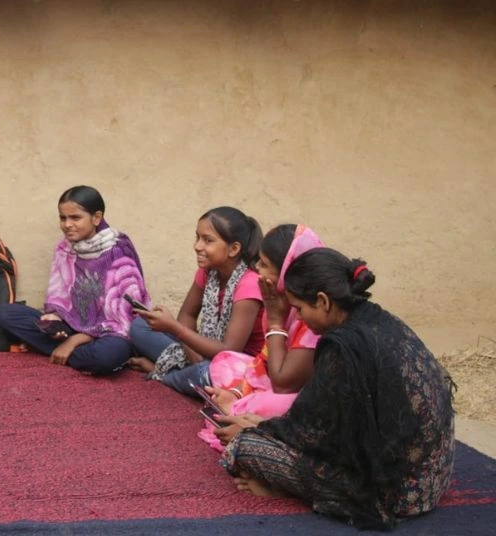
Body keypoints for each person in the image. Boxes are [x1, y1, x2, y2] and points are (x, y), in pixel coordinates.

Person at [216, 249, 454, 530]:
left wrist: (251, 431)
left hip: (395, 492)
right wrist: (264, 425)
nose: (302, 320)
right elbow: (334, 421)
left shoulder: (343, 346)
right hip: (436, 476)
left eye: (301, 310)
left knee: (244, 448)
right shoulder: (380, 320)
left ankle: (291, 491)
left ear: (323, 301)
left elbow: (314, 434)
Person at [0, 186, 148, 374]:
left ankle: (71, 352)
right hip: (73, 325)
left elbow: (123, 320)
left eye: (75, 218)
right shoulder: (64, 248)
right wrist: (54, 321)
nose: (67, 224)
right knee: (7, 313)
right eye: (62, 218)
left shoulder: (118, 252)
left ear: (96, 218)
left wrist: (74, 341)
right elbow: (58, 300)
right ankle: (77, 356)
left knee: (107, 355)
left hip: (112, 333)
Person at [197, 224, 322, 450]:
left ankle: (240, 412)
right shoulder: (286, 303)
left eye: (264, 265)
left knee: (277, 404)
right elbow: (263, 360)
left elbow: (283, 383)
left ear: (287, 271)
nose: (257, 270)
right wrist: (237, 391)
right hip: (277, 375)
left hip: (300, 394)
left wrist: (275, 320)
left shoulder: (313, 315)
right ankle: (238, 405)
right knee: (225, 361)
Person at [129, 206, 264, 394]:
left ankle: (163, 375)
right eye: (197, 237)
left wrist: (174, 328)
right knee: (139, 325)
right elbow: (187, 315)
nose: (197, 246)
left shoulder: (249, 284)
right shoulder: (208, 272)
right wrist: (193, 353)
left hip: (238, 365)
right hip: (206, 353)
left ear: (233, 249)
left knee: (205, 372)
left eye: (208, 240)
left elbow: (229, 350)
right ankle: (185, 373)